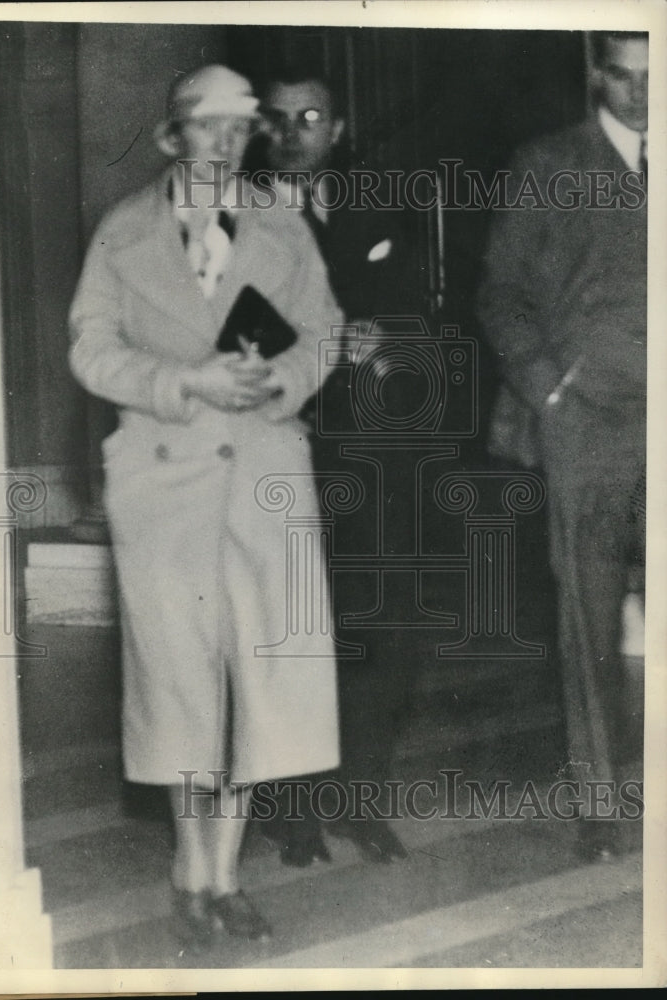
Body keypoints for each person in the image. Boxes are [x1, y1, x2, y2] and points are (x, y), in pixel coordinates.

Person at [68, 64, 342, 944]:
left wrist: (280, 384)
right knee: (181, 682)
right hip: (163, 480)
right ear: (169, 137)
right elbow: (92, 351)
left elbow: (325, 329)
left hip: (264, 469)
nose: (228, 142)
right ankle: (190, 873)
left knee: (257, 681)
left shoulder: (281, 222)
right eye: (209, 125)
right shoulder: (123, 232)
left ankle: (226, 879)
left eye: (240, 127)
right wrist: (184, 378)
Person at [477, 32, 647, 859]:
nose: (642, 91)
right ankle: (603, 802)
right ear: (596, 76)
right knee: (588, 613)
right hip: (593, 421)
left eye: (657, 75)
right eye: (624, 74)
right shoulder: (549, 161)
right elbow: (501, 290)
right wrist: (549, 386)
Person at [255, 69, 421, 866]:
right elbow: (225, 323)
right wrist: (322, 346)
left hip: (369, 449)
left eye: (310, 117)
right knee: (287, 628)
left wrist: (383, 333)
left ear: (338, 127)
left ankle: (359, 796)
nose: (294, 133)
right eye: (280, 120)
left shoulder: (377, 203)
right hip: (277, 445)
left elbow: (413, 303)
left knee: (376, 623)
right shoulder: (234, 215)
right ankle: (288, 810)